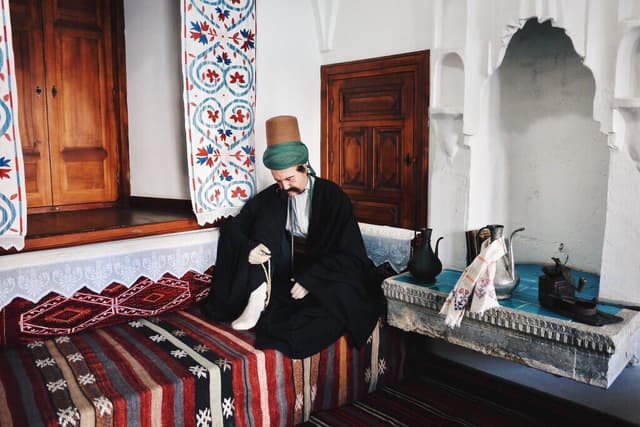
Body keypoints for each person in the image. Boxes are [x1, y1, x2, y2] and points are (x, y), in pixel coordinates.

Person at [202, 115, 385, 359]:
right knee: (265, 215)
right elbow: (233, 228)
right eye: (278, 181)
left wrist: (311, 280)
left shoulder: (332, 196)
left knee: (321, 317)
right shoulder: (275, 194)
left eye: (290, 179)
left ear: (304, 167)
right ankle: (258, 293)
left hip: (327, 272)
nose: (285, 187)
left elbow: (349, 254)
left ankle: (272, 300)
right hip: (286, 269)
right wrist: (248, 248)